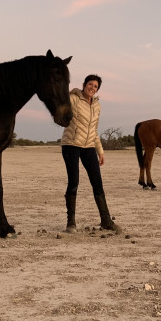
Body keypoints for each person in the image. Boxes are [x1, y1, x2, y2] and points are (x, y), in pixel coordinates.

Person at [60, 74, 121, 234]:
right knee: (74, 181)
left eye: (95, 86)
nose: (92, 88)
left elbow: (94, 130)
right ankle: (71, 222)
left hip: (88, 146)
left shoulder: (97, 106)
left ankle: (106, 220)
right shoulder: (73, 99)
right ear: (84, 84)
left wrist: (100, 151)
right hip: (71, 144)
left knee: (97, 183)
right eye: (90, 84)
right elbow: (61, 101)